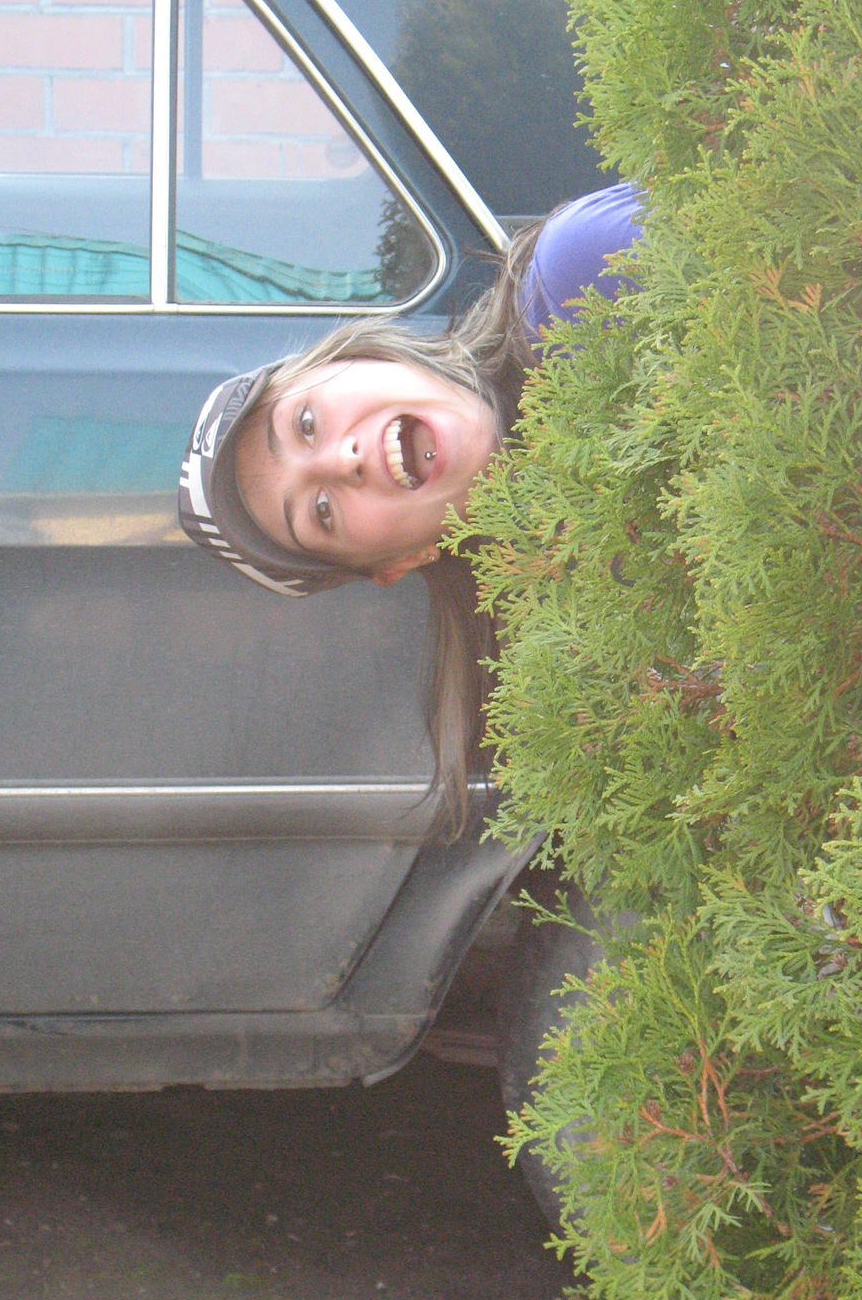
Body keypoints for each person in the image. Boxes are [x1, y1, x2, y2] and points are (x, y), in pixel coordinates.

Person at [179, 182, 643, 829]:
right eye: (321, 512)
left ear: (360, 354)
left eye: (306, 424)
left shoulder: (579, 274)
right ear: (400, 561)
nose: (341, 461)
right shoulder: (589, 681)